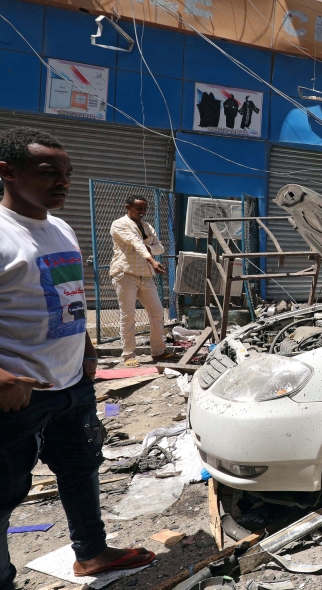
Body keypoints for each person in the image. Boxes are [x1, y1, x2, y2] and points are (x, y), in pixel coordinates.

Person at [0, 128, 156, 590]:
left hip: (72, 384)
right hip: (17, 398)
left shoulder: (60, 227)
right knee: (4, 494)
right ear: (6, 172)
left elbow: (71, 297)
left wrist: (87, 349)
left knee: (80, 469)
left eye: (67, 173)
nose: (62, 182)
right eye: (49, 173)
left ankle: (91, 553)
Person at [110, 196, 174, 367]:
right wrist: (152, 259)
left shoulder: (147, 226)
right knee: (128, 315)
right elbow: (135, 243)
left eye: (145, 208)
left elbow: (159, 247)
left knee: (157, 312)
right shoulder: (119, 224)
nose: (142, 212)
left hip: (145, 276)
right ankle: (129, 355)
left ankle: (158, 351)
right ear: (128, 207)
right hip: (125, 274)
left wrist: (150, 249)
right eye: (139, 208)